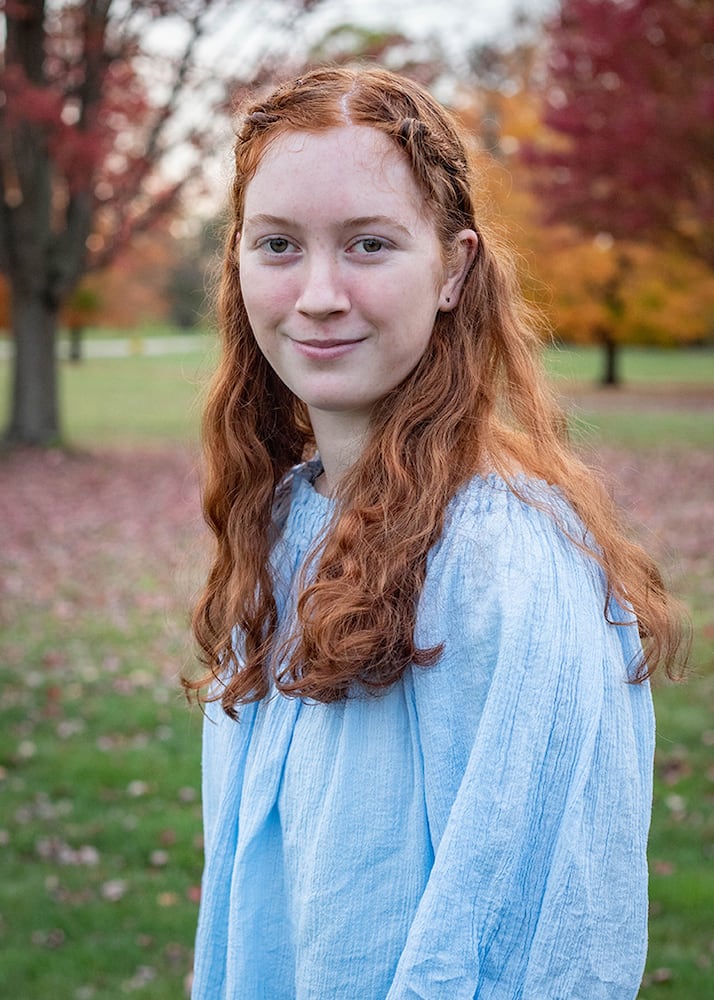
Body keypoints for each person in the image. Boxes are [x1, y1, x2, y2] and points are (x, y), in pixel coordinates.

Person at [185, 66, 686, 999]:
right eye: (279, 245)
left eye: (369, 244)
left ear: (453, 269)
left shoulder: (499, 554)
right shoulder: (290, 515)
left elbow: (530, 937)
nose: (320, 293)